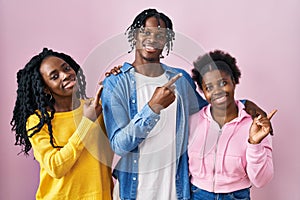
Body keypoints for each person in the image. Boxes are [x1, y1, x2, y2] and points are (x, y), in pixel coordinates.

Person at [101, 8, 268, 200]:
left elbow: (209, 111)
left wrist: (245, 104)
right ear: (134, 35)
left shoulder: (180, 80)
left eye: (160, 34)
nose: (152, 38)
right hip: (133, 190)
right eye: (146, 32)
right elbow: (119, 146)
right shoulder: (116, 83)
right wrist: (152, 109)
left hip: (175, 189)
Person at [10, 48, 113, 200]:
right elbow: (56, 167)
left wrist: (118, 82)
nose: (66, 75)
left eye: (66, 68)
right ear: (45, 88)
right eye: (54, 76)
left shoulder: (97, 107)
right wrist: (86, 123)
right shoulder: (37, 121)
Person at [188, 49, 277, 199]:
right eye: (209, 87)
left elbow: (261, 181)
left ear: (234, 81)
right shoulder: (193, 121)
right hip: (197, 194)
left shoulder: (255, 124)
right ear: (203, 91)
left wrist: (254, 143)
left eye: (223, 83)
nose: (217, 91)